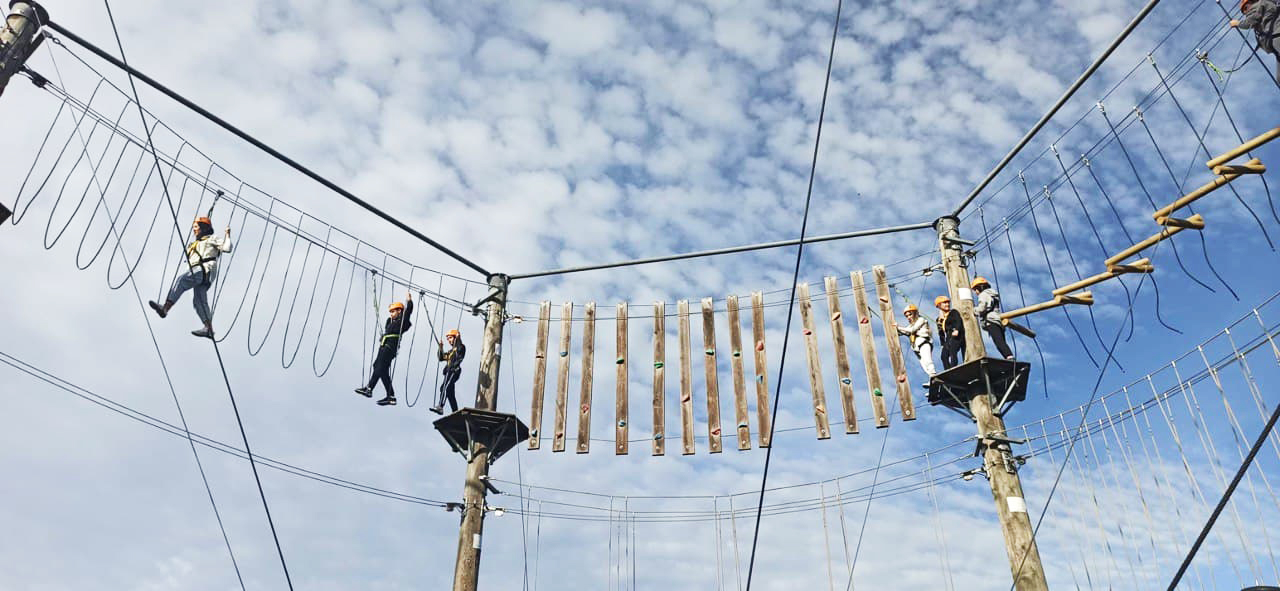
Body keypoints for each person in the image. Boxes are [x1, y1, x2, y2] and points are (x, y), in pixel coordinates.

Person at [148, 216, 232, 338]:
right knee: (198, 301)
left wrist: (227, 235)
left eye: (196, 227)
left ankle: (165, 308)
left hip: (204, 269)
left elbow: (227, 248)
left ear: (204, 228)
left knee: (181, 280)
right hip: (199, 272)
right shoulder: (193, 244)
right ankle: (208, 328)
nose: (194, 231)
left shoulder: (211, 239)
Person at [356, 291, 413, 406]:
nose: (391, 314)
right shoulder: (391, 322)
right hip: (384, 346)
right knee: (378, 367)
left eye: (393, 311)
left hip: (389, 347)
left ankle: (377, 391)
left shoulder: (403, 321)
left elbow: (408, 312)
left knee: (380, 368)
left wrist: (409, 301)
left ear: (399, 311)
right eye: (390, 312)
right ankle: (378, 391)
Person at [1233, 0, 1278, 82]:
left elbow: (1248, 22)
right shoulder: (1268, 4)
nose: (1246, 12)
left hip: (1277, 36)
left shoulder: (1258, 5)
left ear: (1251, 2)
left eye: (1246, 8)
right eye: (1244, 12)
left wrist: (1237, 23)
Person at [971, 277, 1015, 360]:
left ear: (980, 287)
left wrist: (974, 310)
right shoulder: (992, 294)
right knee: (1001, 341)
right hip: (998, 320)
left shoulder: (984, 294)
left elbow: (983, 308)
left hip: (991, 320)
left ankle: (1009, 357)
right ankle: (1009, 357)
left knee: (998, 341)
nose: (976, 292)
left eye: (976, 289)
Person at [430, 329, 466, 415]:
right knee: (449, 391)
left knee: (445, 388)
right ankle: (455, 411)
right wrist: (441, 348)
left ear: (455, 337)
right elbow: (441, 357)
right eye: (448, 339)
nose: (449, 340)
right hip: (449, 371)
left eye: (450, 338)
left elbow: (460, 349)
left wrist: (458, 338)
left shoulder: (460, 347)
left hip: (454, 370)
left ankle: (440, 406)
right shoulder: (451, 352)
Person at [896, 304, 936, 380]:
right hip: (916, 347)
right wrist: (897, 329)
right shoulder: (911, 325)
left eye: (910, 314)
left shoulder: (921, 320)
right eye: (907, 316)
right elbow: (904, 332)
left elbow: (912, 330)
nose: (908, 317)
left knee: (927, 360)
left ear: (915, 313)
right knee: (923, 364)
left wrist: (899, 327)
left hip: (924, 342)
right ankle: (932, 378)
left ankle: (933, 374)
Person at [935, 295, 964, 370]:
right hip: (948, 337)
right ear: (939, 305)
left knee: (952, 351)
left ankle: (953, 368)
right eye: (944, 303)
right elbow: (941, 333)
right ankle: (947, 369)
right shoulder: (939, 319)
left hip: (955, 334)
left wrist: (957, 330)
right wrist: (942, 343)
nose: (947, 304)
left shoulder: (953, 312)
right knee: (944, 355)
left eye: (948, 303)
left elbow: (958, 320)